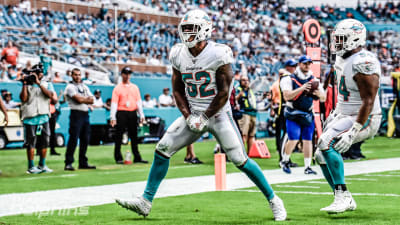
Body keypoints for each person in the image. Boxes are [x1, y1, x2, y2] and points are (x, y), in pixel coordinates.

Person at [115, 9, 286, 221]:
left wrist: (204, 116)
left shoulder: (218, 53)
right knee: (162, 149)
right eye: (184, 28)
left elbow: (224, 92)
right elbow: (177, 89)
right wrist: (188, 115)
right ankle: (145, 201)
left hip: (219, 115)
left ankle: (273, 200)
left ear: (204, 30)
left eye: (191, 29)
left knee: (239, 159)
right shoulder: (178, 53)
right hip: (193, 113)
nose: (187, 33)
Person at [315, 19, 382, 213]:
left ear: (355, 39)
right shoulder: (342, 58)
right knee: (320, 154)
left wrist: (353, 131)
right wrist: (336, 112)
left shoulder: (364, 62)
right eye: (336, 37)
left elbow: (368, 101)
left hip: (365, 117)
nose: (336, 42)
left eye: (341, 38)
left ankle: (342, 196)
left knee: (326, 143)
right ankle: (343, 197)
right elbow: (345, 92)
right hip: (346, 113)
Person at [279, 55, 325, 175]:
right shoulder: (288, 78)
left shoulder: (314, 79)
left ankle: (307, 166)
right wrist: (302, 88)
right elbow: (287, 96)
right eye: (305, 63)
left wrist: (318, 93)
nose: (307, 65)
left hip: (307, 113)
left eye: (309, 63)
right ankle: (285, 160)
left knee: (308, 141)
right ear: (299, 64)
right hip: (293, 112)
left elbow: (323, 98)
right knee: (293, 138)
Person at [19, 64, 54, 174]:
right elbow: (23, 98)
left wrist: (39, 84)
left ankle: (42, 165)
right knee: (31, 142)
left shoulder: (46, 84)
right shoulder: (28, 84)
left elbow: (50, 95)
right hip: (30, 117)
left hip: (43, 116)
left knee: (45, 141)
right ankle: (31, 166)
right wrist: (25, 83)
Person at [110, 67, 148, 165]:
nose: (127, 76)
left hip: (132, 112)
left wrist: (141, 114)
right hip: (121, 112)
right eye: (125, 73)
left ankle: (137, 157)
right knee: (119, 135)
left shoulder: (135, 87)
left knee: (134, 136)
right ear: (122, 74)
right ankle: (118, 157)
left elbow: (138, 101)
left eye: (129, 74)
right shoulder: (117, 88)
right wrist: (113, 117)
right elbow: (114, 103)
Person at [64, 68, 96, 171]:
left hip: (85, 114)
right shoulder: (70, 87)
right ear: (71, 76)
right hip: (76, 114)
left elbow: (92, 100)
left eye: (79, 75)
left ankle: (83, 162)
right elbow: (78, 100)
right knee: (73, 139)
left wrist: (84, 100)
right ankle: (68, 162)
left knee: (85, 139)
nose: (77, 77)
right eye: (75, 75)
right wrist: (85, 99)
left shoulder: (84, 87)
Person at [236, 75, 257, 154]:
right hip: (244, 113)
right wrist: (239, 96)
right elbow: (233, 99)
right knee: (243, 135)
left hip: (253, 113)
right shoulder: (238, 90)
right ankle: (241, 153)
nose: (246, 82)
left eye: (247, 80)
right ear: (240, 82)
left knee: (251, 135)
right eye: (243, 80)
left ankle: (249, 154)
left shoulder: (251, 90)